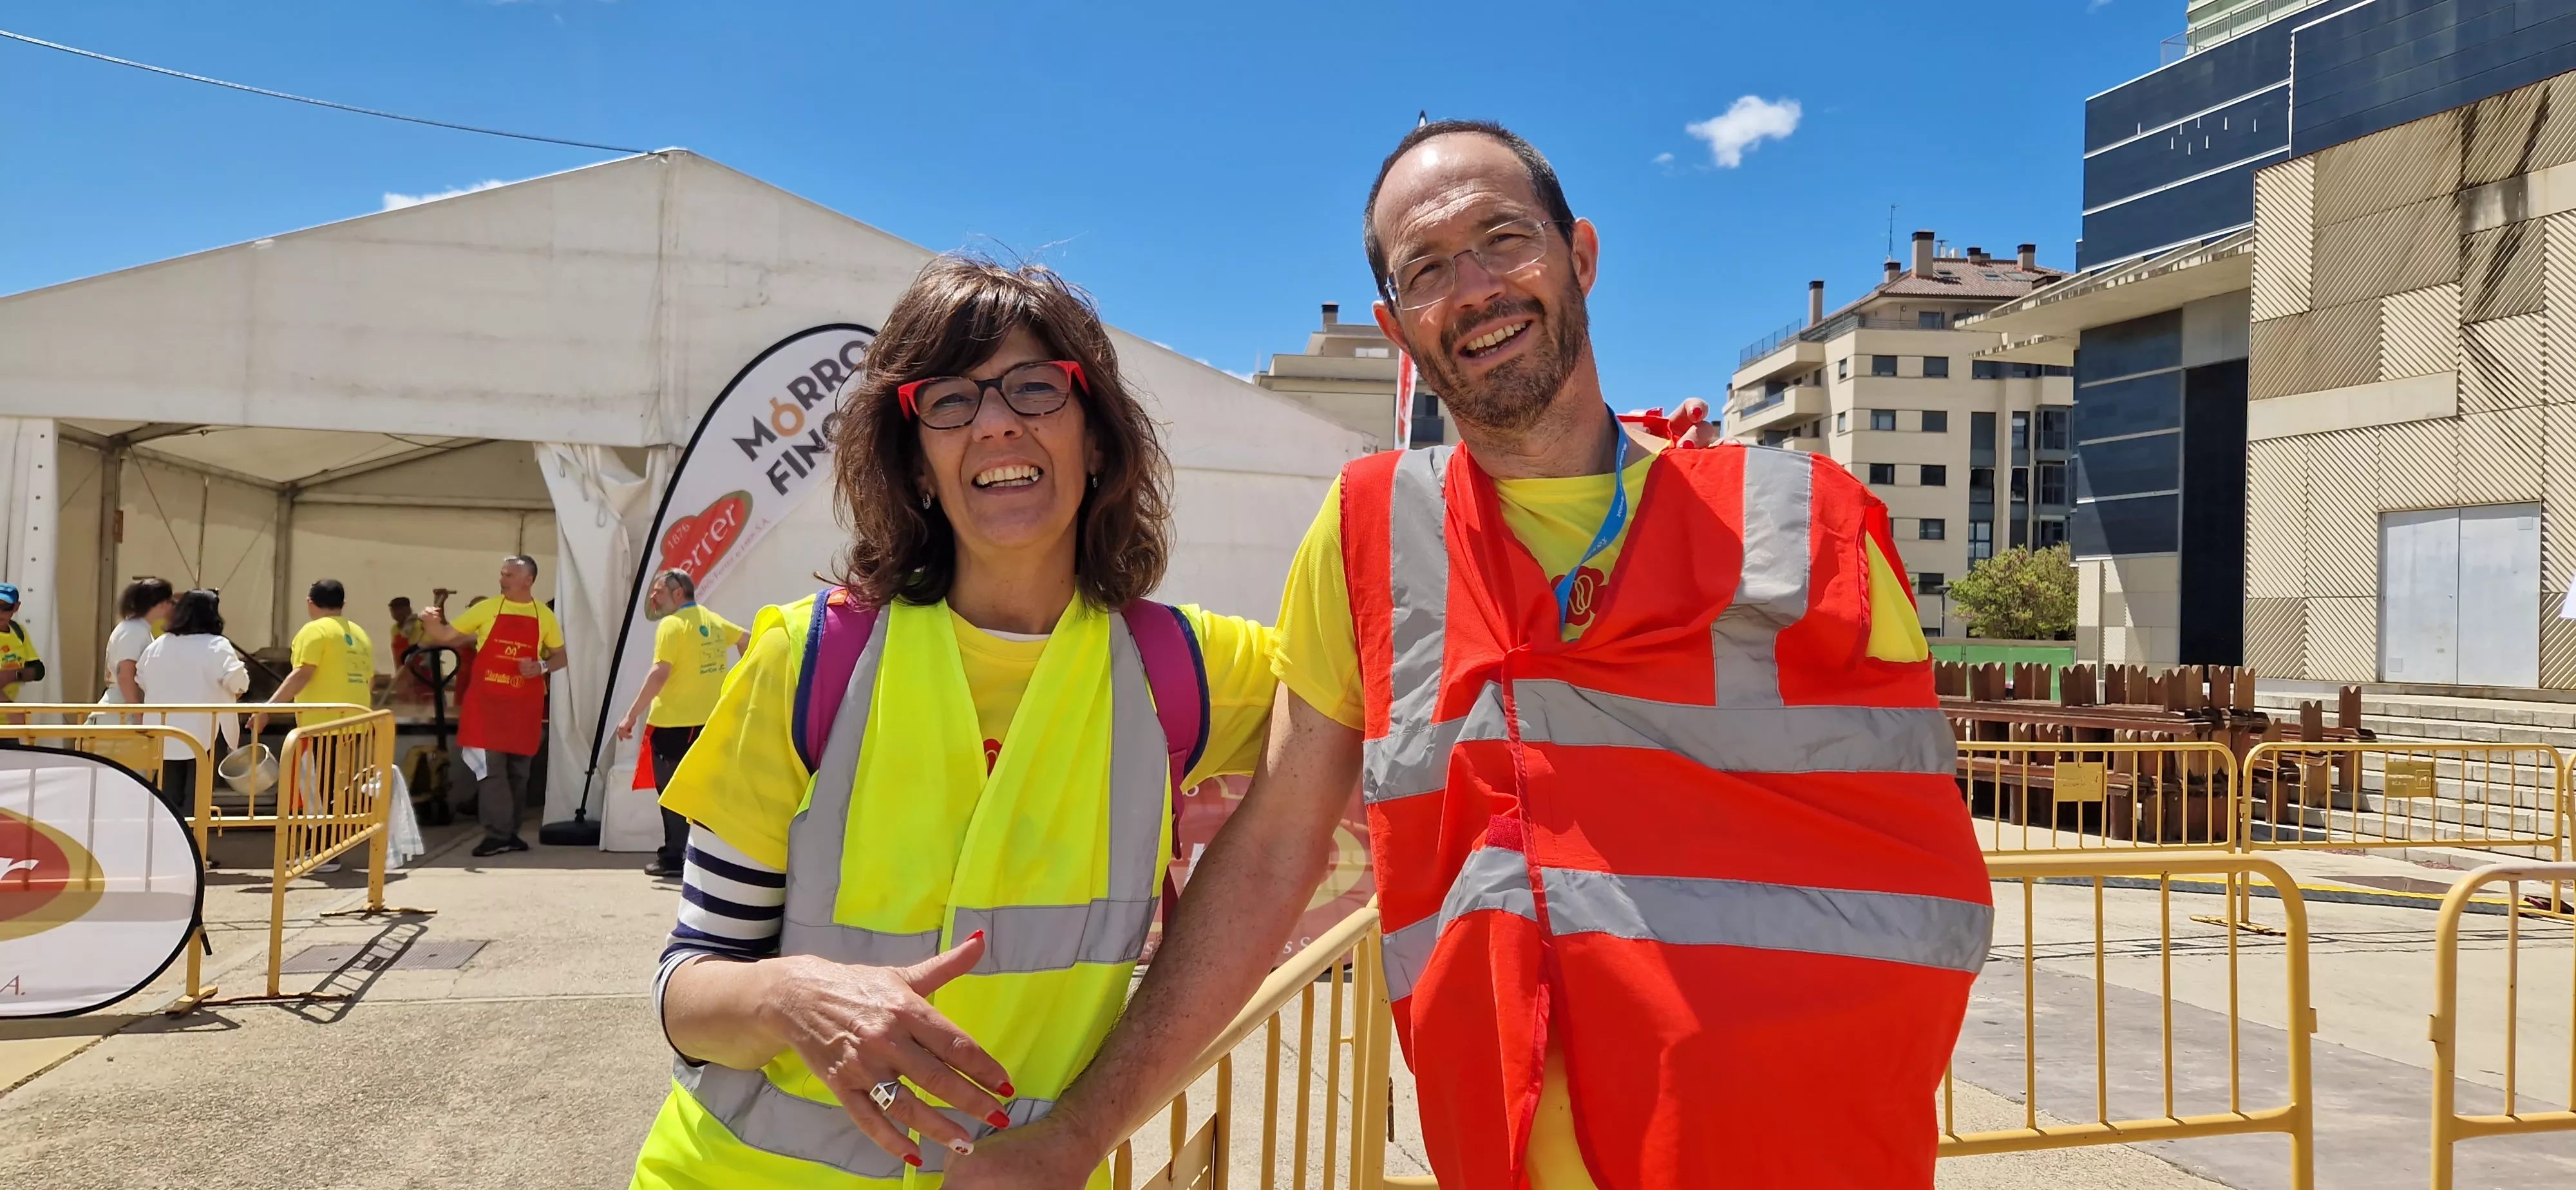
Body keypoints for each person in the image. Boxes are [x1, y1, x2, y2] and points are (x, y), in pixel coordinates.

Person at [945, 123, 1994, 1190]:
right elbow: (1272, 851)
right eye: (1429, 269)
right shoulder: (1369, 531)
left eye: (1505, 238)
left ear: (1580, 255)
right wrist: (1075, 1137)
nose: (1478, 286)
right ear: (1398, 328)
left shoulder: (1807, 527)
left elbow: (1923, 883)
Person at [627, 255, 1283, 1187]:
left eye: (1034, 387)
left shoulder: (1193, 671)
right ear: (919, 466)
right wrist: (796, 995)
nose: (997, 421)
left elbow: (1394, 683)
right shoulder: (807, 662)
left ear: (1097, 440)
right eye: (950, 400)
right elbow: (684, 989)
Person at [416, 556, 566, 858]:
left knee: (519, 773)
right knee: (491, 771)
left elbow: (561, 657)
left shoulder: (545, 617)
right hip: (488, 707)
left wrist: (540, 667)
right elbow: (447, 636)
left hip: (524, 707)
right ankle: (498, 835)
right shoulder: (486, 609)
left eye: (510, 574)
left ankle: (509, 833)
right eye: (502, 574)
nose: (503, 579)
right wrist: (431, 623)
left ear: (529, 580)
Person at [614, 569, 748, 879]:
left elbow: (660, 672)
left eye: (658, 591)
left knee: (672, 792)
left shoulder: (672, 625)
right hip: (709, 723)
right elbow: (748, 640)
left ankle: (675, 857)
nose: (652, 597)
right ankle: (708, 856)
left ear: (678, 594)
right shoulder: (713, 621)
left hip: (674, 725)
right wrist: (740, 682)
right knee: (705, 791)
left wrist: (631, 715)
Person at [134, 589, 247, 815]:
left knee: (168, 794)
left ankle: (171, 844)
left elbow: (141, 679)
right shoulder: (217, 646)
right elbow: (239, 684)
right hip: (206, 732)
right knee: (198, 796)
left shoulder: (157, 646)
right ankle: (196, 846)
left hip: (165, 731)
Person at [251, 579, 376, 739]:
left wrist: (266, 711)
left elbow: (301, 675)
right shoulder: (360, 634)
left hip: (324, 723)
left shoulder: (315, 630)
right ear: (343, 604)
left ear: (310, 602)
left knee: (326, 765)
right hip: (359, 721)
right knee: (344, 765)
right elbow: (369, 681)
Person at [101, 577, 175, 706]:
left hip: (124, 702)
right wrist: (138, 713)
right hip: (124, 705)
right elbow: (125, 675)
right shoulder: (134, 630)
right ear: (163, 604)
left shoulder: (136, 628)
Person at [0, 583, 43, 727]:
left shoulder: (18, 631)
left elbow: (38, 669)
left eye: (6, 607)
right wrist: (10, 708)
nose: (0, 612)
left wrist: (14, 675)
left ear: (16, 607)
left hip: (8, 724)